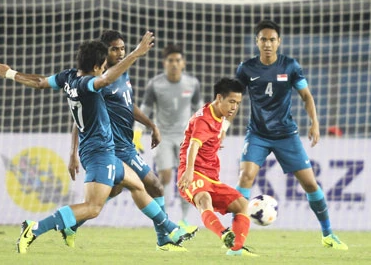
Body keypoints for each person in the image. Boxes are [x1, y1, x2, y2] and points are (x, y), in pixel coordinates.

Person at [0, 33, 191, 253]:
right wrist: (137, 52)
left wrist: (10, 73)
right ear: (98, 66)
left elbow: (41, 82)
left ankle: (169, 230)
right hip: (100, 152)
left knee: (137, 185)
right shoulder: (88, 84)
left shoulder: (68, 77)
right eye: (105, 64)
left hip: (103, 150)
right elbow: (105, 80)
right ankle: (35, 227)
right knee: (93, 207)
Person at [65, 30, 197, 252]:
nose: (119, 52)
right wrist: (72, 153)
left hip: (126, 142)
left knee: (113, 192)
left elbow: (128, 105)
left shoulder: (122, 75)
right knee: (155, 185)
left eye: (122, 48)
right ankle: (165, 236)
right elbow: (80, 119)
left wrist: (151, 125)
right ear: (104, 53)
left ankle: (72, 224)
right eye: (114, 49)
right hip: (113, 147)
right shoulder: (98, 81)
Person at [235, 19, 348, 250]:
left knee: (309, 184)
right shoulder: (246, 69)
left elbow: (306, 96)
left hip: (286, 134)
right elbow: (234, 99)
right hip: (257, 133)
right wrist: (222, 127)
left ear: (279, 42)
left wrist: (314, 123)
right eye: (263, 39)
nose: (268, 44)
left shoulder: (290, 66)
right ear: (257, 42)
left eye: (272, 39)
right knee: (245, 177)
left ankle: (327, 234)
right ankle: (237, 241)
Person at [176, 77, 258, 257]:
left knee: (243, 204)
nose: (234, 107)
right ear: (219, 98)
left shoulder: (217, 113)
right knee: (203, 199)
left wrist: (219, 134)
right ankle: (224, 234)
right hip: (194, 172)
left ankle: (236, 249)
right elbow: (193, 146)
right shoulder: (203, 120)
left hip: (211, 175)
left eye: (237, 103)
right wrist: (189, 172)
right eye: (231, 102)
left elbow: (212, 132)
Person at [134, 44, 203, 230]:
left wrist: (207, 133)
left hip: (185, 138)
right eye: (170, 60)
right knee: (165, 177)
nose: (174, 64)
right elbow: (145, 109)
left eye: (177, 60)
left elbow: (200, 110)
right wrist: (137, 131)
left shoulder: (192, 83)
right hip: (162, 136)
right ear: (164, 63)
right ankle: (163, 218)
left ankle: (184, 219)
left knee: (186, 178)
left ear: (183, 63)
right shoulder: (155, 84)